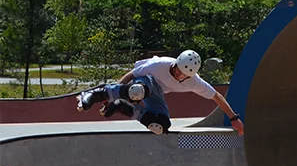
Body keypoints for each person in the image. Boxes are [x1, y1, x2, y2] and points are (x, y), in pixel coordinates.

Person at [76, 50, 244, 136]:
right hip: (143, 83)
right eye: (177, 71)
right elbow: (131, 74)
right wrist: (111, 95)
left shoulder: (194, 82)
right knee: (138, 90)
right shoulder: (159, 64)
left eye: (183, 76)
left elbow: (216, 96)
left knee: (161, 126)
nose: (178, 76)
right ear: (176, 63)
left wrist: (233, 118)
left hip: (155, 94)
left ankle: (124, 107)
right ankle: (96, 94)